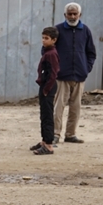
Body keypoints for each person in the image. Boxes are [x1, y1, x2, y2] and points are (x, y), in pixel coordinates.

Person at [52, 2, 96, 144]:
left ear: (79, 15)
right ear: (65, 15)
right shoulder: (57, 30)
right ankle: (55, 134)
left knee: (75, 108)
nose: (72, 16)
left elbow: (91, 53)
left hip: (79, 76)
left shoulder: (85, 31)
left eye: (74, 14)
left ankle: (70, 134)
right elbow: (48, 50)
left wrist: (86, 68)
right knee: (58, 107)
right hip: (62, 77)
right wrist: (55, 68)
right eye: (69, 14)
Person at [31, 26, 60, 155]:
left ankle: (48, 145)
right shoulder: (47, 52)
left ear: (54, 40)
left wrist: (47, 89)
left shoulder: (52, 54)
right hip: (44, 86)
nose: (43, 40)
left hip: (48, 87)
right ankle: (44, 140)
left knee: (48, 115)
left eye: (46, 38)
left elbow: (53, 74)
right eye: (43, 38)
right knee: (43, 114)